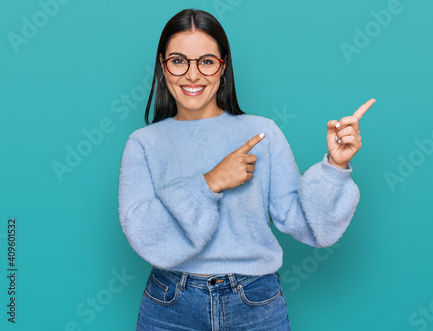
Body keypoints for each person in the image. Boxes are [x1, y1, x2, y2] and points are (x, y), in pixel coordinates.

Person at [118, 8, 375, 331]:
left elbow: (309, 226)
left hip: (254, 302)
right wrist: (211, 182)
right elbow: (143, 232)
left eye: (207, 61)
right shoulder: (143, 143)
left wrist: (335, 166)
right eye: (179, 60)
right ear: (162, 66)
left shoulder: (261, 133)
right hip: (170, 305)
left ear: (222, 67)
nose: (193, 75)